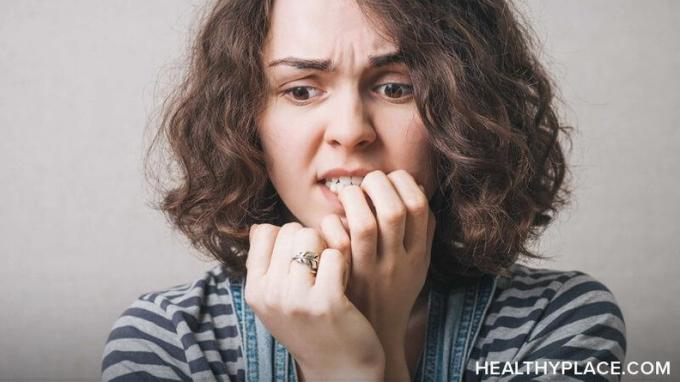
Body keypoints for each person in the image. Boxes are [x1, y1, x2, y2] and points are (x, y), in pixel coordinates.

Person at [102, 0, 626, 381]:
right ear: (246, 122)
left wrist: (357, 364)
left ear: (467, 113)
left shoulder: (559, 321)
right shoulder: (171, 339)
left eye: (396, 87)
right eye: (301, 90)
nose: (350, 130)